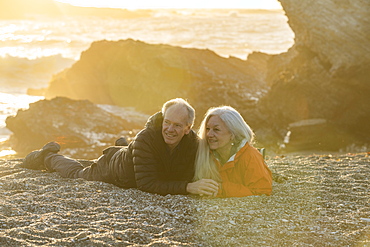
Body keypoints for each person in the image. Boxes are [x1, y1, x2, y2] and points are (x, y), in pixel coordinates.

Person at [21, 98, 218, 196]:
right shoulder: (146, 138)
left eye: (177, 125)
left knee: (132, 151)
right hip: (115, 171)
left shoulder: (193, 143)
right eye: (167, 122)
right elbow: (146, 184)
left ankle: (124, 147)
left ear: (187, 128)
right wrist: (188, 187)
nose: (169, 129)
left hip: (134, 157)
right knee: (77, 172)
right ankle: (48, 155)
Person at [193, 106, 273, 198]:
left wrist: (221, 189)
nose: (209, 134)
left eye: (216, 129)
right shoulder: (204, 154)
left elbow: (262, 191)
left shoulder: (250, 156)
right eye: (207, 129)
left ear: (232, 134)